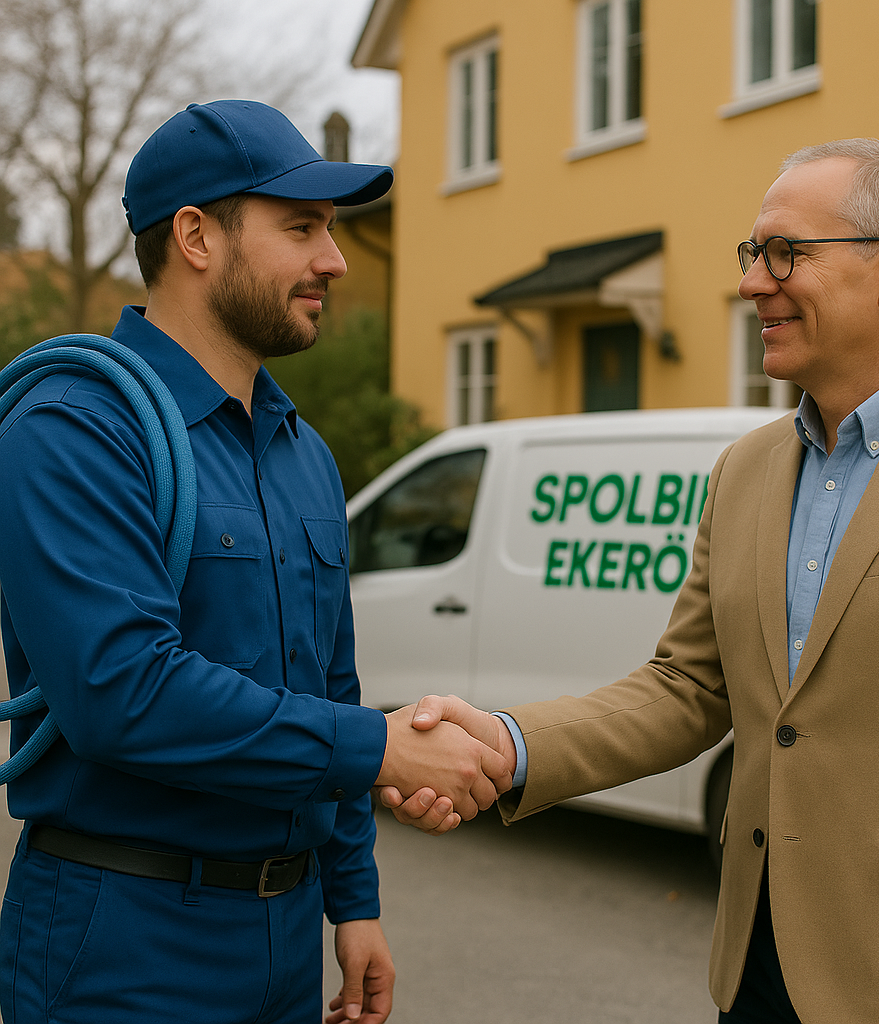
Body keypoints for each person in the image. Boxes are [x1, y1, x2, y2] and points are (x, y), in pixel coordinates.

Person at [381, 139, 879, 1024]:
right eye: (752, 254)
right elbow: (689, 687)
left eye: (786, 253)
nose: (754, 282)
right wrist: (505, 742)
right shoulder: (744, 471)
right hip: (753, 972)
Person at [0, 99, 511, 1024]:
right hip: (124, 942)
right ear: (196, 237)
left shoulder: (302, 452)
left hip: (286, 934)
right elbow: (123, 693)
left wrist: (353, 900)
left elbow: (329, 684)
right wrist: (385, 747)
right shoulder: (75, 428)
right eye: (301, 227)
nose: (334, 259)